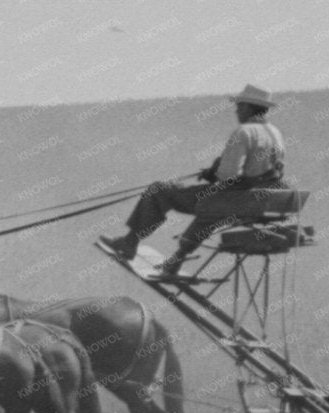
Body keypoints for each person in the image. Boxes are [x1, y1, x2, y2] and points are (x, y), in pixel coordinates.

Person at [100, 85, 287, 278]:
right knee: (215, 203)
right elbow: (260, 169)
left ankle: (130, 243)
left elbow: (227, 175)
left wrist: (213, 174)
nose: (236, 110)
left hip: (237, 199)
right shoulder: (275, 133)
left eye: (239, 106)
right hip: (258, 201)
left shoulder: (245, 132)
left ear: (249, 107)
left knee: (160, 191)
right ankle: (177, 258)